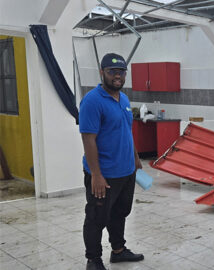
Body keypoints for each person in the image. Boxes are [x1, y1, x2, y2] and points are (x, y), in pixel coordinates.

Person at [79, 53, 144, 270]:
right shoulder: (92, 101)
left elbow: (127, 132)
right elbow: (88, 139)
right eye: (112, 71)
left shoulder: (123, 98)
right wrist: (96, 175)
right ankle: (93, 259)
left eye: (121, 72)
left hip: (126, 171)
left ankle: (118, 250)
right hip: (104, 174)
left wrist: (135, 158)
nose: (117, 76)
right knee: (97, 217)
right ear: (102, 73)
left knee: (120, 213)